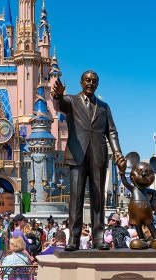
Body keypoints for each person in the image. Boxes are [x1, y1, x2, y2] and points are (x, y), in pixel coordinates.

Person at [51, 70, 124, 251]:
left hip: (98, 155)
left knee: (98, 197)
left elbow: (112, 132)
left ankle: (99, 238)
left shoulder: (104, 107)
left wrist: (118, 153)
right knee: (76, 197)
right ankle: (74, 239)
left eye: (94, 81)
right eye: (88, 80)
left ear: (97, 84)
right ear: (81, 82)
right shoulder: (71, 101)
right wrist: (58, 94)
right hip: (77, 154)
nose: (91, 83)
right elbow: (59, 105)